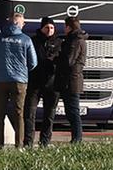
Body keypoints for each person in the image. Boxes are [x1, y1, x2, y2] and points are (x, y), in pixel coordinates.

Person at [0, 5, 37, 149]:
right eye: (23, 22)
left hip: (0, 80)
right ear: (20, 24)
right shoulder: (26, 40)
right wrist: (23, 71)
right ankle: (19, 145)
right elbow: (33, 62)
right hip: (19, 81)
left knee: (0, 114)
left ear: (9, 22)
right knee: (19, 113)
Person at [37, 15, 89, 145]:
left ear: (69, 27)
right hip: (68, 80)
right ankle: (76, 139)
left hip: (71, 81)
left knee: (73, 112)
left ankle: (77, 139)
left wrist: (54, 60)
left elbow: (68, 60)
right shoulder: (75, 39)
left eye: (65, 26)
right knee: (71, 111)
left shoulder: (75, 41)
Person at [27, 16, 62, 146]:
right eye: (47, 27)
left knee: (49, 115)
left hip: (52, 83)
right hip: (35, 82)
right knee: (30, 113)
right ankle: (28, 141)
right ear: (41, 28)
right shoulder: (33, 41)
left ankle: (45, 142)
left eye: (52, 27)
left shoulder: (58, 42)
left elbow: (60, 59)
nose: (49, 30)